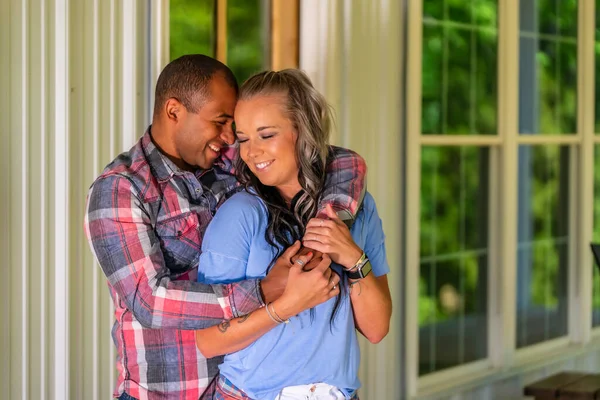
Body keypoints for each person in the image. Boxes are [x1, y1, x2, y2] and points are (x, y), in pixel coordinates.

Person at [83, 55, 367, 400]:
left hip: (239, 388)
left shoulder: (230, 161)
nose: (230, 136)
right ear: (174, 111)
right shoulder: (120, 190)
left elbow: (342, 161)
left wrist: (327, 224)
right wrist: (263, 291)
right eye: (220, 122)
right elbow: (151, 300)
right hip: (166, 392)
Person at [195, 69, 392, 400]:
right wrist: (288, 305)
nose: (251, 152)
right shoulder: (239, 215)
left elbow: (376, 329)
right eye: (243, 139)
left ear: (303, 131)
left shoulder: (356, 210)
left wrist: (351, 256)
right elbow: (208, 341)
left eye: (266, 135)